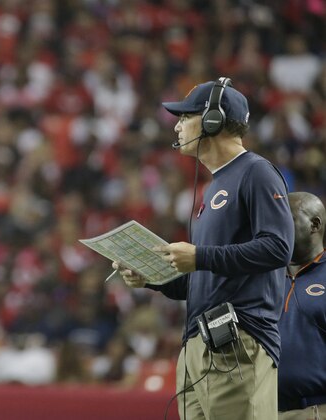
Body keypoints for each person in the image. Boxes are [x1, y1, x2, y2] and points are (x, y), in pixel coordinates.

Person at [114, 77, 294, 419]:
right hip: (202, 343)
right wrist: (151, 278)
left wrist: (198, 256)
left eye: (186, 116)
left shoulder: (256, 172)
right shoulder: (213, 188)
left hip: (238, 340)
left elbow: (277, 248)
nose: (178, 125)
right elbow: (204, 277)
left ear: (213, 120)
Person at [278, 192, 326, 420]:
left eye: (286, 220)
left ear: (314, 225)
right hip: (266, 409)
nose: (277, 228)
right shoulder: (264, 277)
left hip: (315, 411)